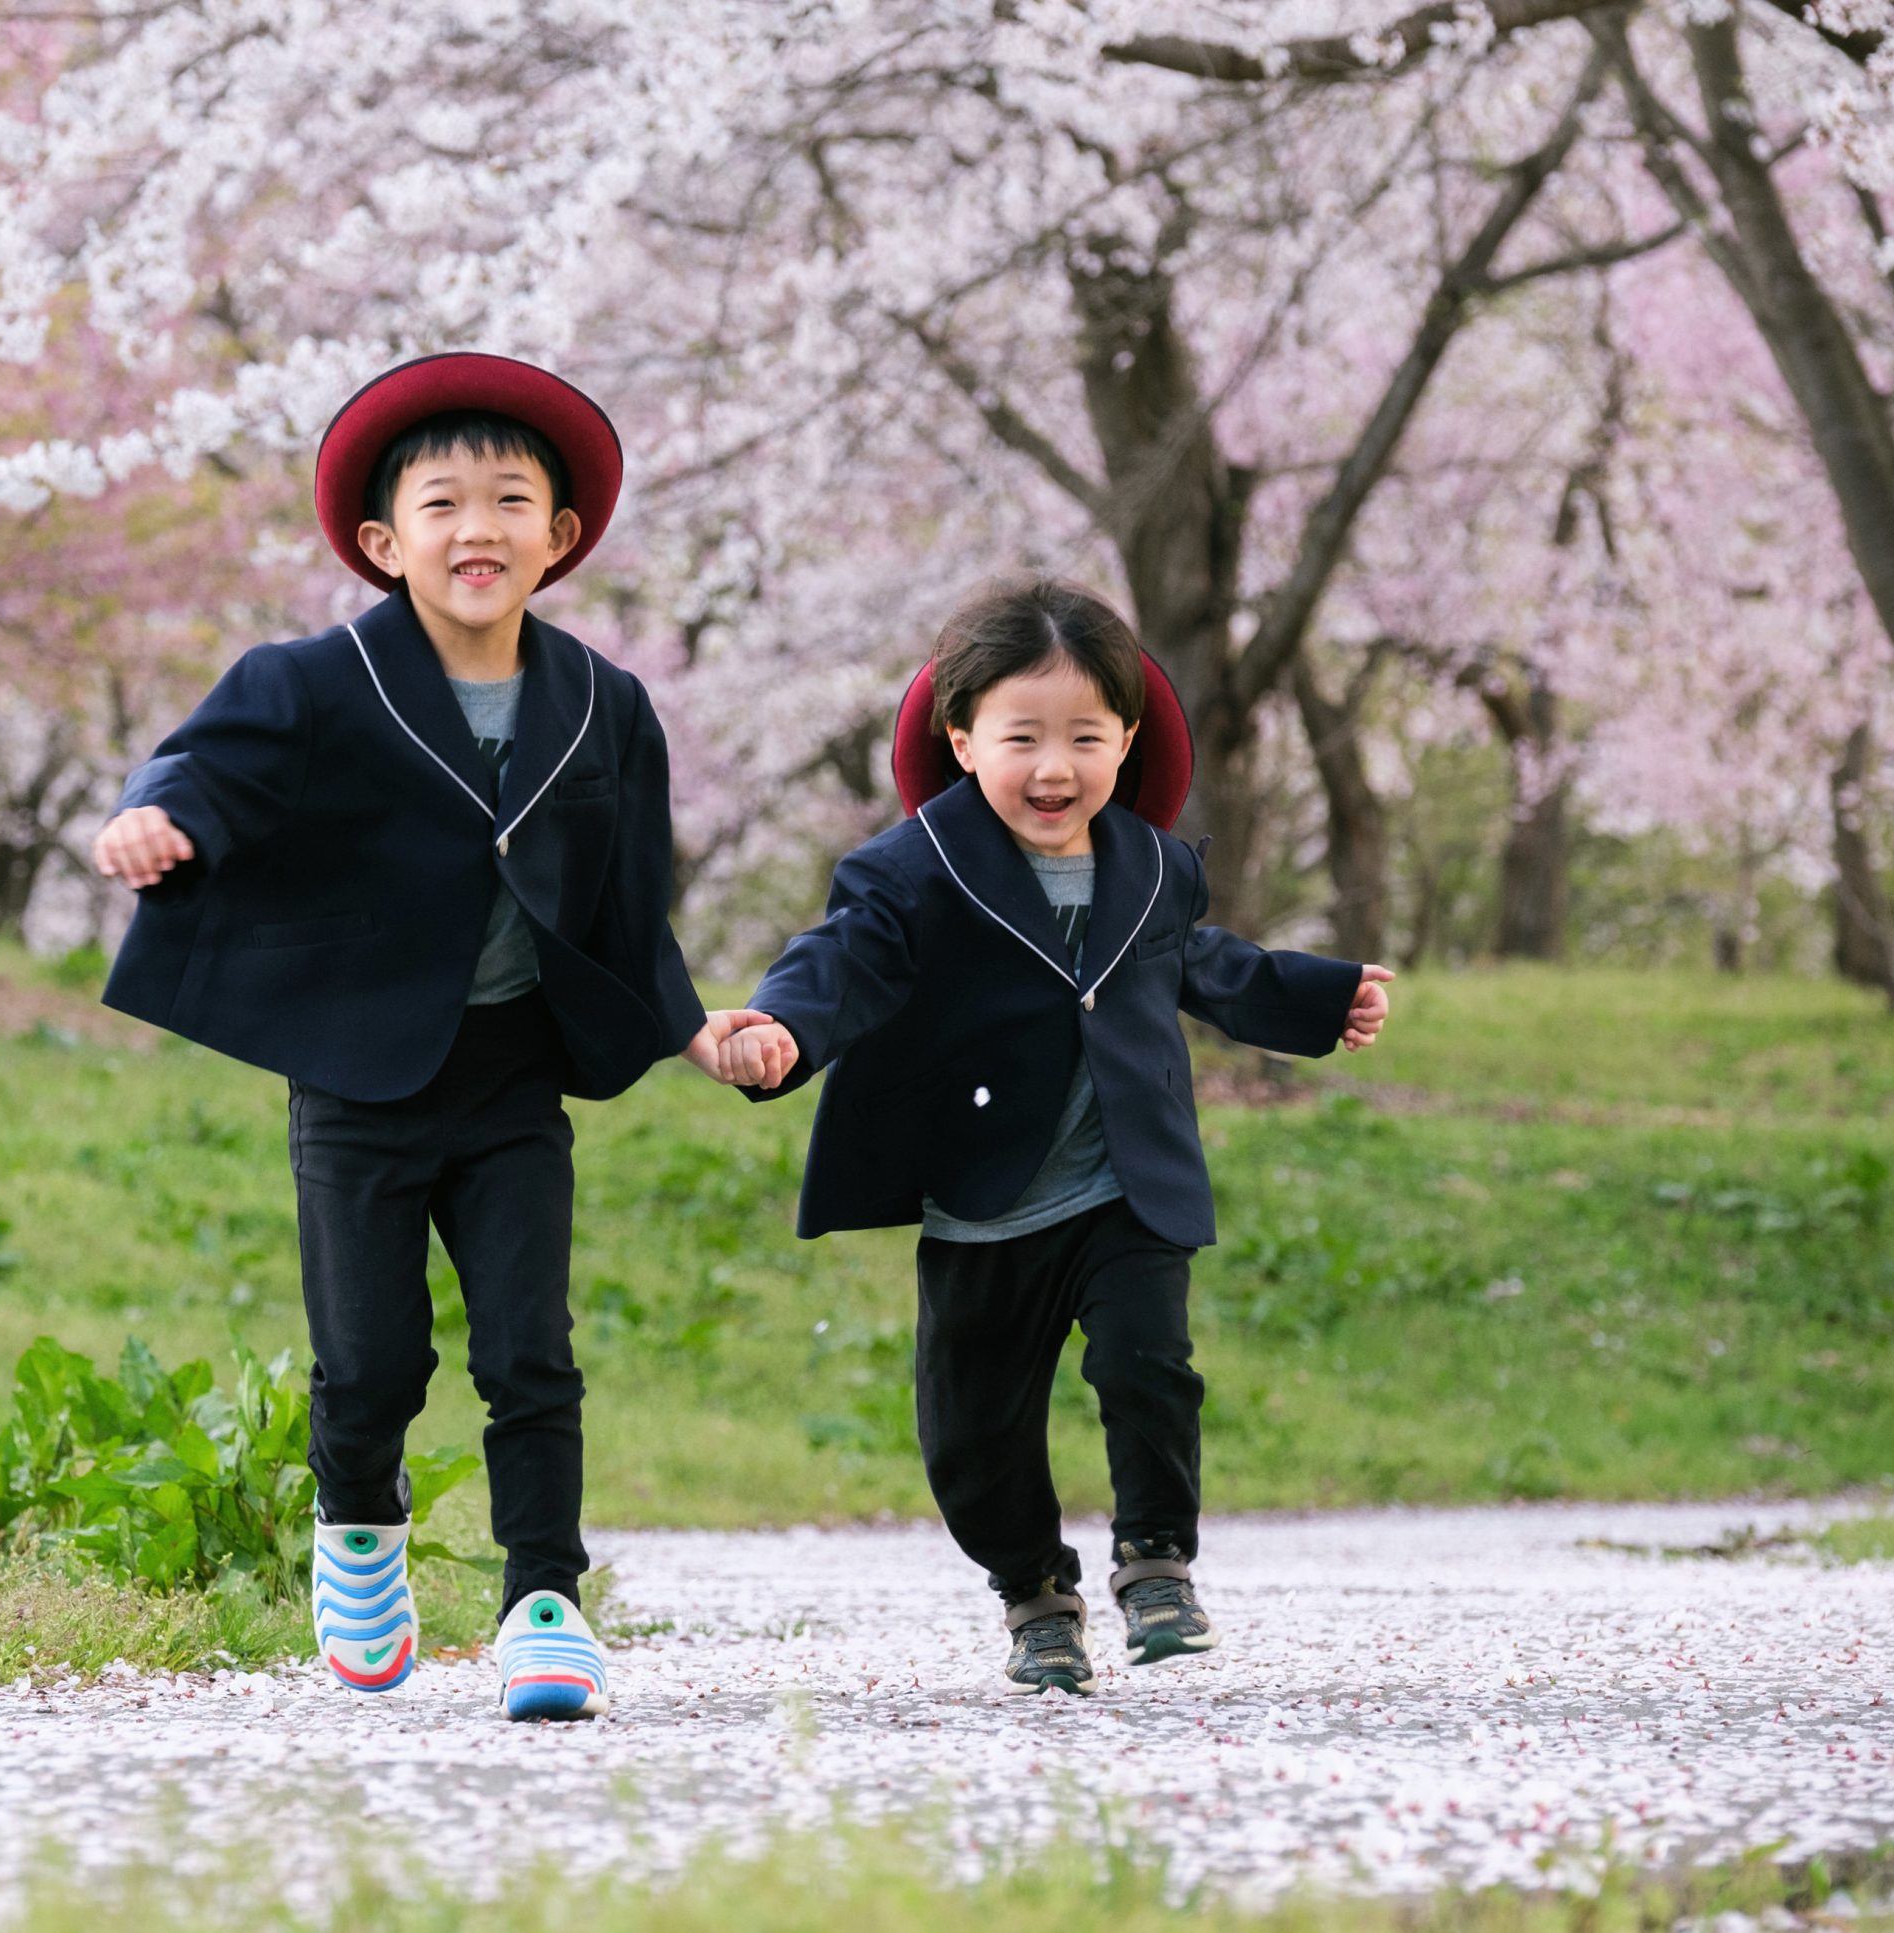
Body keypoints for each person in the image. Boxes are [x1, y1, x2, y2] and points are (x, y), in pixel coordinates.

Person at [94, 353, 762, 1720]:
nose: (478, 528)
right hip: (360, 1075)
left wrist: (690, 1027)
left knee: (530, 1353)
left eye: (511, 500)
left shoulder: (606, 705)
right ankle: (358, 1522)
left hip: (516, 1072)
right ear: (384, 541)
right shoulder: (315, 681)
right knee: (371, 1359)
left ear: (558, 536)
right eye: (442, 503)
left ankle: (543, 1601)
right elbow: (205, 766)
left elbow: (629, 906)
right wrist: (155, 818)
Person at [716, 575, 1393, 1694]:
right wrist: (782, 1026)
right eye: (1021, 736)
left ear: (1126, 740)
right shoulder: (913, 870)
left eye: (1085, 736)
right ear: (961, 739)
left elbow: (1207, 966)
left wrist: (1319, 1002)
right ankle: (1033, 1590)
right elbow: (842, 957)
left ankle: (1156, 1562)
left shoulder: (1152, 866)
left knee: (1149, 1365)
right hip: (984, 1194)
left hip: (1125, 1184)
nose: (1054, 767)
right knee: (971, 1435)